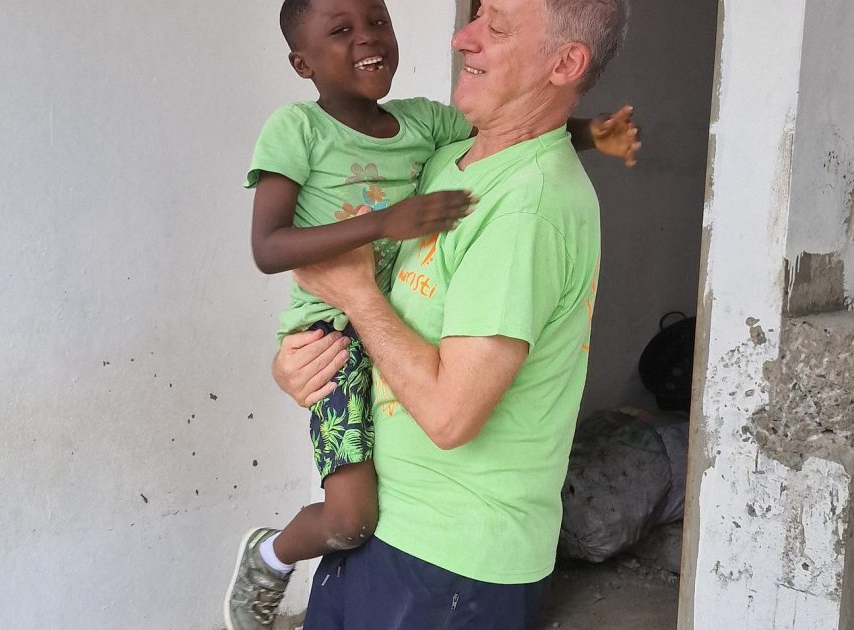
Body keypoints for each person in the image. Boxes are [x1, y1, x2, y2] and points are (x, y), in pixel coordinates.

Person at [224, 0, 636, 628]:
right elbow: (310, 267)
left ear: (564, 63)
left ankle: (273, 557)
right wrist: (304, 360)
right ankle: (275, 557)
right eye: (475, 16)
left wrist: (356, 297)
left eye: (496, 26)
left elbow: (449, 416)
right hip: (386, 531)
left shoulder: (527, 207)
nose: (463, 38)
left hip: (449, 561)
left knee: (349, 517)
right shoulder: (447, 159)